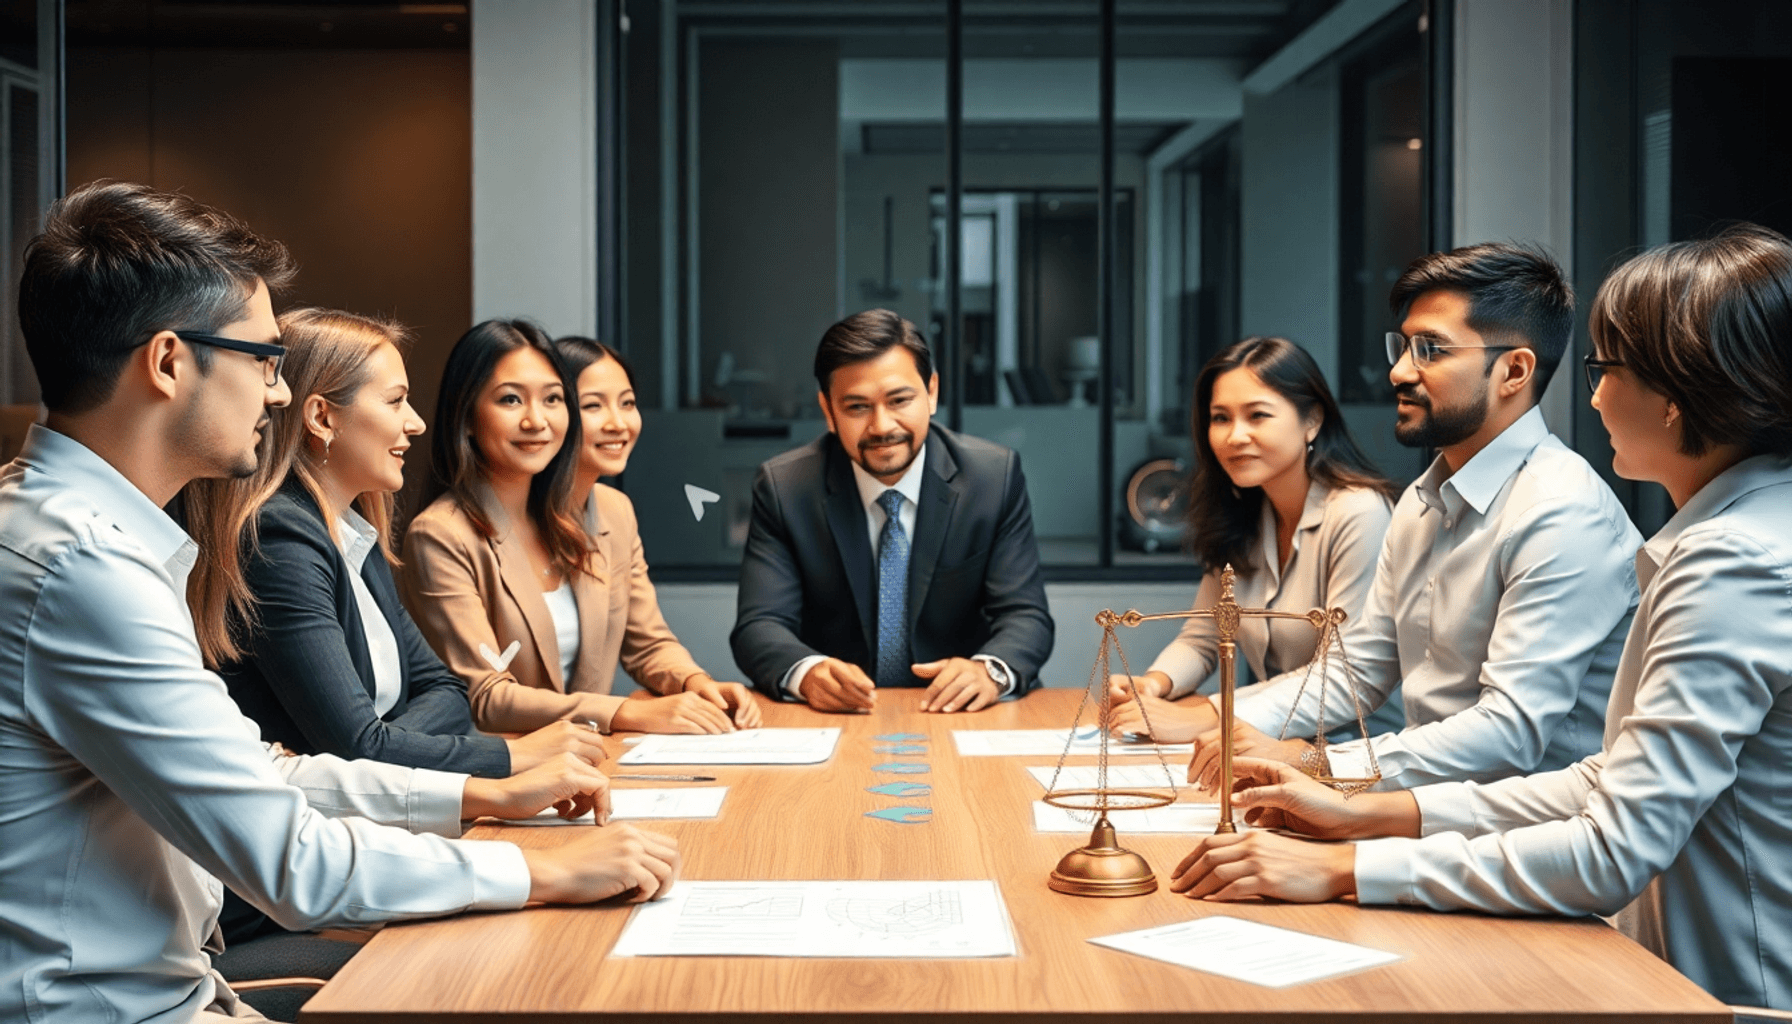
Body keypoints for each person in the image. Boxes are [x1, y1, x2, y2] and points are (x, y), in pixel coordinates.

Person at [0, 181, 677, 1024]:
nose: (277, 394)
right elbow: (293, 863)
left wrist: (484, 796)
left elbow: (267, 772)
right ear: (170, 362)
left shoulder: (84, 533)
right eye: (262, 359)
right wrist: (540, 871)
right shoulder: (80, 565)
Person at [1170, 223, 1792, 1012]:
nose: (1594, 393)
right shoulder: (1717, 536)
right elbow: (1610, 777)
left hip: (1714, 987)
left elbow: (1597, 829)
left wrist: (1349, 855)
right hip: (1572, 905)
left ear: (1682, 392)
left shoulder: (1720, 556)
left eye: (1609, 369)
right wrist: (1361, 810)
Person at [1183, 243, 1641, 791]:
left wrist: (1314, 763)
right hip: (1427, 811)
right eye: (1402, 346)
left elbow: (1508, 734)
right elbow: (1359, 669)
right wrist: (1228, 726)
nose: (1399, 371)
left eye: (1431, 349)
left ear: (1513, 371)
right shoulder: (1423, 501)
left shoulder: (1562, 513)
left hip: (1527, 837)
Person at [190, 308, 609, 778]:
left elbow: (447, 691)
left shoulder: (356, 534)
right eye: (395, 402)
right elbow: (357, 748)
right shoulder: (280, 538)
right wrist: (513, 756)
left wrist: (388, 740)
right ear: (322, 418)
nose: (415, 424)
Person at [402, 320, 744, 734]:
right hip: (501, 775)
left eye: (552, 399)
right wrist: (622, 713)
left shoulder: (602, 512)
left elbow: (647, 642)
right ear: (467, 417)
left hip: (588, 763)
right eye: (510, 400)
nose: (536, 420)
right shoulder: (440, 535)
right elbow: (485, 695)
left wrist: (697, 684)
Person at [731, 308, 1053, 713]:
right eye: (857, 408)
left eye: (900, 400)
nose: (882, 426)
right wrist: (809, 674)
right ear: (828, 411)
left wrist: (989, 671)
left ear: (932, 392)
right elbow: (759, 626)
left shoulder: (992, 478)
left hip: (961, 714)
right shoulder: (785, 488)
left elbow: (1026, 616)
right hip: (837, 717)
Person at [1106, 337, 1400, 741]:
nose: (1235, 436)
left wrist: (1213, 716)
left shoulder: (1359, 513)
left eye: (1257, 416)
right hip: (1272, 747)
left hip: (1360, 759)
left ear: (1312, 420)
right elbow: (1204, 637)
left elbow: (1346, 677)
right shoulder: (1245, 511)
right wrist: (1155, 684)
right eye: (1220, 418)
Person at [553, 333, 760, 727]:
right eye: (593, 405)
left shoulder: (615, 510)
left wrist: (697, 683)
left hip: (589, 750)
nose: (618, 423)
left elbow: (646, 641)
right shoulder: (496, 525)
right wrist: (632, 712)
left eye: (628, 403)